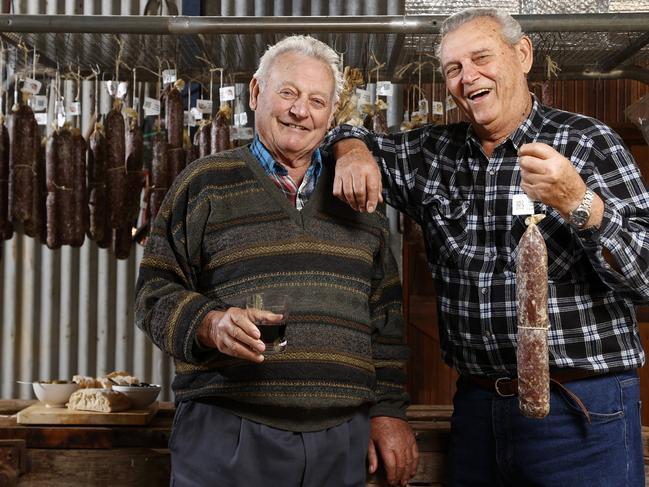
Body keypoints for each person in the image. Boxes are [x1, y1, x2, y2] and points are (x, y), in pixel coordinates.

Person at [326, 8, 649, 487]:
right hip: (479, 408)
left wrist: (580, 204)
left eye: (481, 58)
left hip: (581, 410)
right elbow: (342, 131)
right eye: (453, 68)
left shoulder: (587, 143)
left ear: (522, 55)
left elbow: (645, 276)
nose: (467, 77)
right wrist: (350, 149)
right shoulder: (431, 153)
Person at [135, 35, 418, 487]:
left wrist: (387, 412)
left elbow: (384, 322)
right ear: (255, 93)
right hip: (228, 432)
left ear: (331, 114)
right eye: (287, 92)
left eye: (316, 100)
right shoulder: (205, 183)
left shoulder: (360, 199)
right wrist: (211, 323)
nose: (300, 111)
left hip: (341, 439)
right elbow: (153, 294)